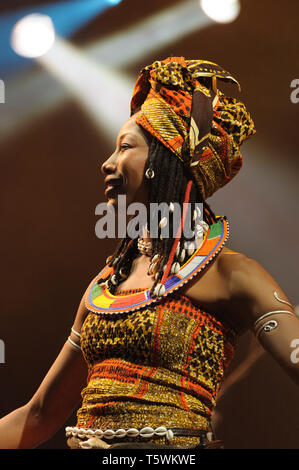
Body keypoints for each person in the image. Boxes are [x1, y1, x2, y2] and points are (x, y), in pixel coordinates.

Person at [0, 57, 298, 450]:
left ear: (164, 161)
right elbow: (38, 415)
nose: (107, 163)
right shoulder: (105, 286)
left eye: (124, 147)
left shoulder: (232, 274)